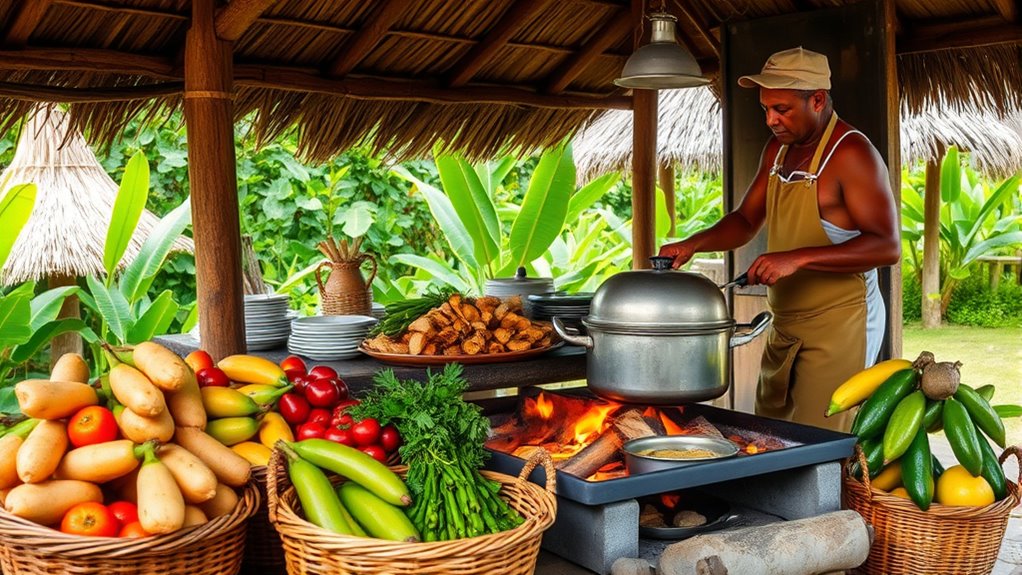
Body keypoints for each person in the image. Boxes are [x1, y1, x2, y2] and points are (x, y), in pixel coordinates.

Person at [658, 47, 900, 432]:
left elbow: (887, 247)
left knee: (820, 444)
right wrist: (693, 244)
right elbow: (745, 220)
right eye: (766, 109)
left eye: (782, 109)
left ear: (817, 100)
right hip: (786, 323)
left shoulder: (852, 153)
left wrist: (796, 259)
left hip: (842, 325)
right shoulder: (777, 151)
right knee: (770, 437)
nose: (771, 119)